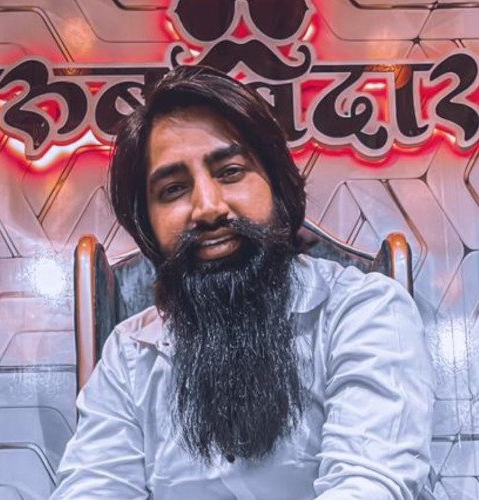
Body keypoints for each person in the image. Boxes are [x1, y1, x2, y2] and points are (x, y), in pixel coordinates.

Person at [51, 65, 434, 499]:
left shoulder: (364, 311)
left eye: (230, 171)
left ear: (277, 187)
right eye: (173, 189)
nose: (208, 207)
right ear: (148, 226)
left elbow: (369, 484)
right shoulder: (131, 353)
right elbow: (93, 488)